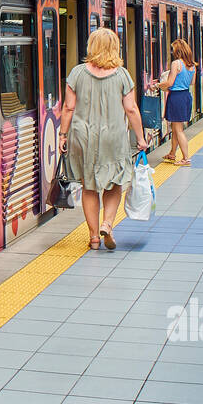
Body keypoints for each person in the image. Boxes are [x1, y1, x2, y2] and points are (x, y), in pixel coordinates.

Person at [58, 28, 147, 251]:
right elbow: (131, 109)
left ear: (92, 46)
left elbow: (68, 108)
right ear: (114, 47)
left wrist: (62, 134)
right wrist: (141, 138)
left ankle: (94, 237)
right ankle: (107, 223)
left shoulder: (77, 73)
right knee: (114, 183)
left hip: (82, 136)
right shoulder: (122, 75)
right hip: (113, 136)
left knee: (89, 187)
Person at [151, 38, 197, 166]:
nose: (172, 52)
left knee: (178, 129)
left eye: (173, 49)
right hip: (186, 96)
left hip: (176, 97)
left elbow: (170, 83)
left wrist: (158, 85)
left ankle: (186, 158)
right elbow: (192, 83)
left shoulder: (176, 63)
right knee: (177, 127)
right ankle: (172, 153)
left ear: (177, 50)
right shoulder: (192, 65)